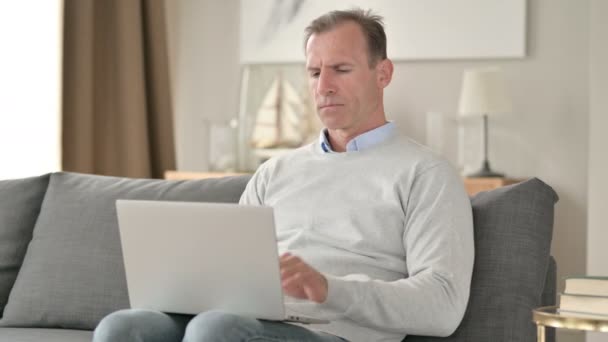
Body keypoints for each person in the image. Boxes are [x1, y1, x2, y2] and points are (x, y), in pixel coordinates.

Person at [93, 8, 474, 342]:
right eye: (314, 72)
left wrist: (328, 289)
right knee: (122, 328)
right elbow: (228, 271)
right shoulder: (275, 171)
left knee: (216, 331)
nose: (323, 86)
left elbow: (442, 306)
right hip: (244, 318)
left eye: (341, 69)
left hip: (332, 330)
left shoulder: (425, 173)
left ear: (383, 73)